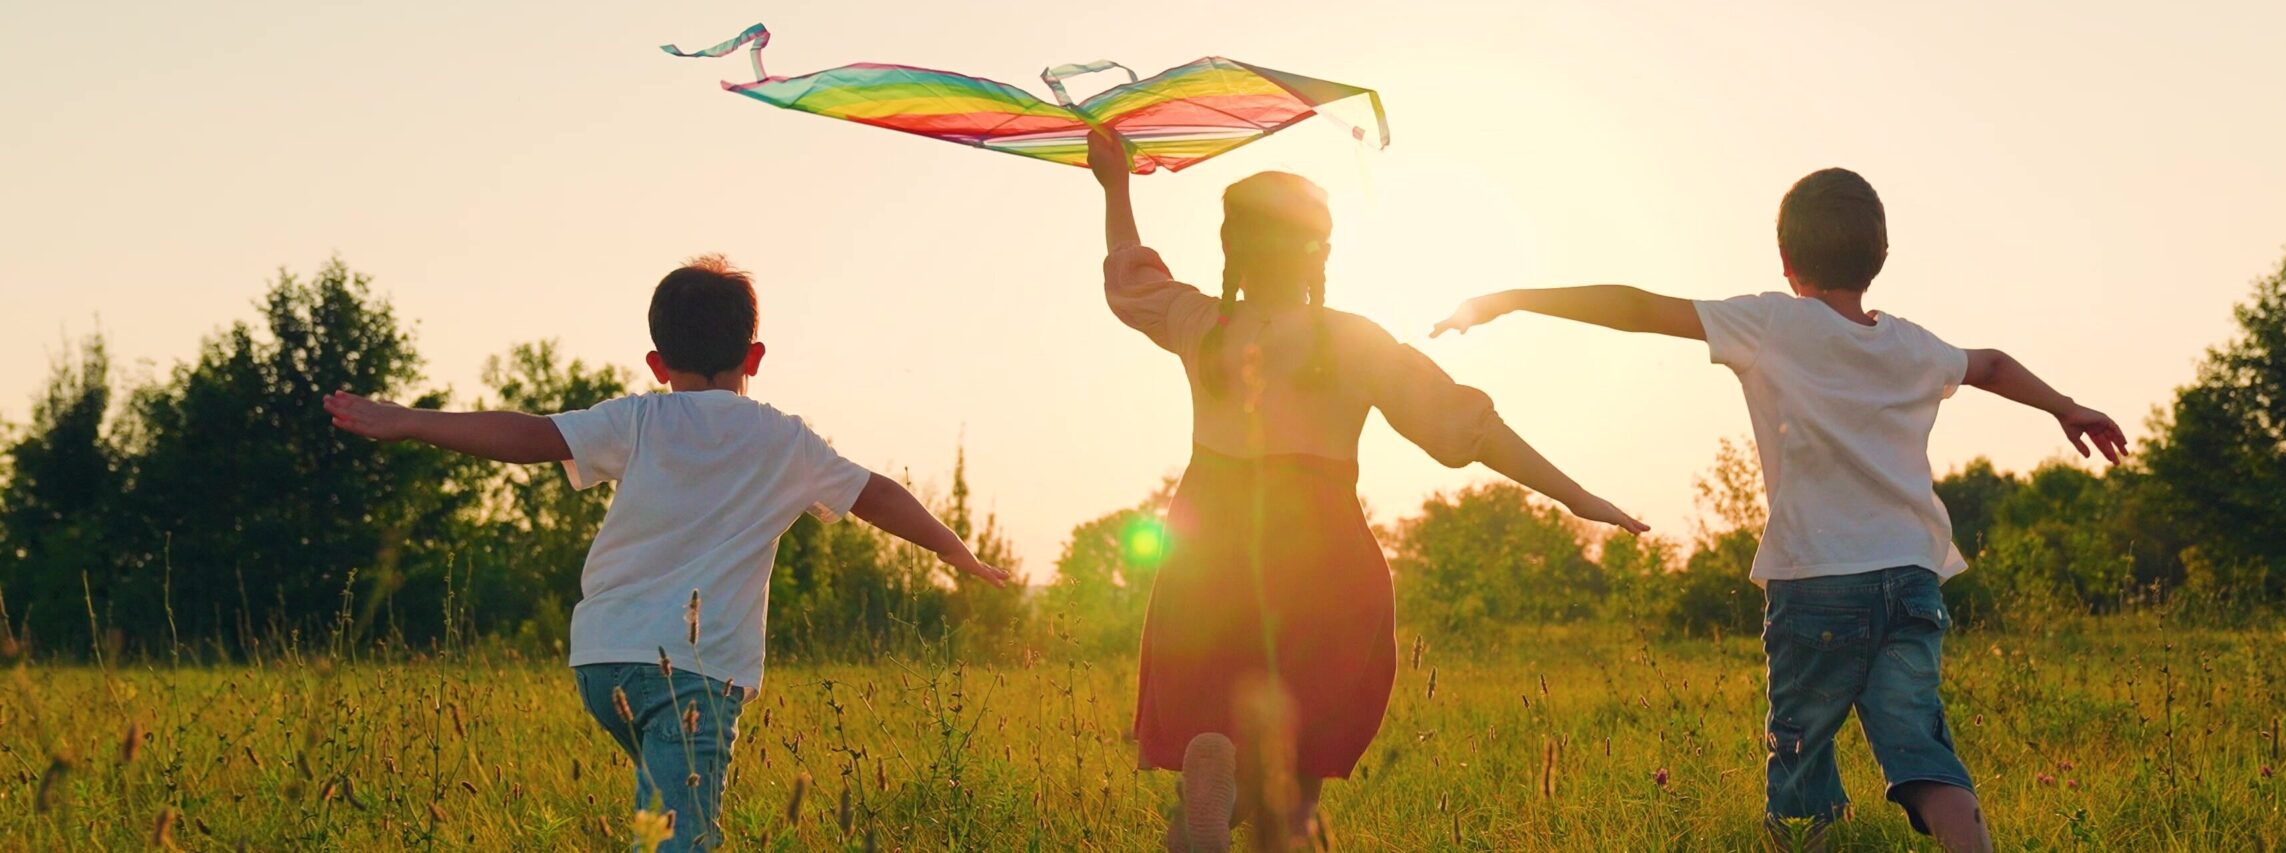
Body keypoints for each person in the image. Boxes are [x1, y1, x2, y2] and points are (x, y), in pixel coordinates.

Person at [1432, 168, 2127, 852]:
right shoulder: (1914, 345)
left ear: (1787, 260)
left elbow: (1639, 307)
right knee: (1921, 749)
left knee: (1800, 754)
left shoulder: (1770, 322)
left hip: (1817, 581)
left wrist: (1512, 297)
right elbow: (1995, 364)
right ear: (1878, 257)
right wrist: (2067, 408)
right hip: (1913, 578)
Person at [323, 255, 1011, 850]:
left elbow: (530, 435)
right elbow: (877, 494)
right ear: (755, 357)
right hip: (693, 672)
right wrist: (957, 552)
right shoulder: (783, 440)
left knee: (665, 819)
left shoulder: (638, 418)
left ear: (657, 363)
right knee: (681, 837)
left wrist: (411, 420)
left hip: (603, 662)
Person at [1087, 131, 1648, 851]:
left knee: (1209, 717)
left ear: (1233, 251)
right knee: (1296, 784)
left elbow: (1130, 279)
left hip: (1211, 544)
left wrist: (1116, 187)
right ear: (1319, 250)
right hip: (1321, 551)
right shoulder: (1354, 341)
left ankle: (1211, 774)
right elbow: (1469, 428)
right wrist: (1576, 495)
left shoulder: (1202, 324)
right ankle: (1258, 802)